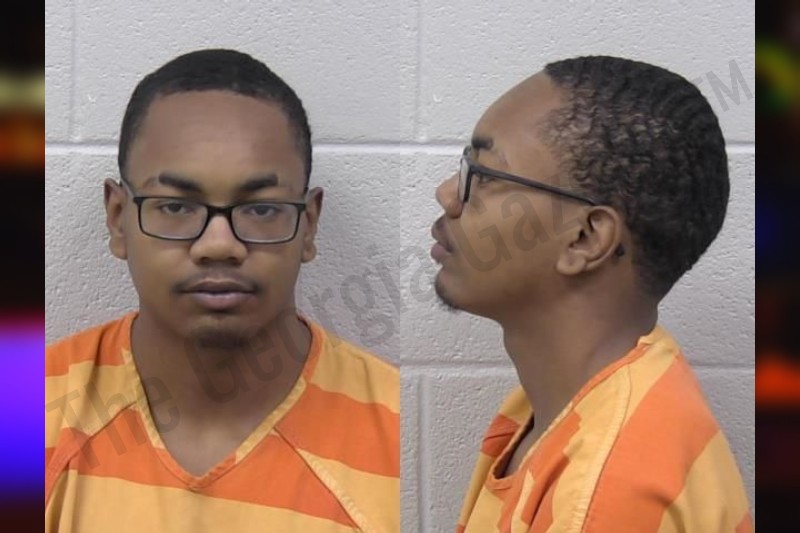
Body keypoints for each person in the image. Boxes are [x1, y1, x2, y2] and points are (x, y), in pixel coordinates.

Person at [45, 49, 399, 533]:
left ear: (309, 225)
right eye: (175, 206)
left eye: (261, 209)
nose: (219, 245)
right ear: (118, 218)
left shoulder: (396, 431)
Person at [430, 55, 753, 532]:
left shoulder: (604, 492)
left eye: (485, 176)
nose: (446, 194)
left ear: (584, 239)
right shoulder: (553, 408)